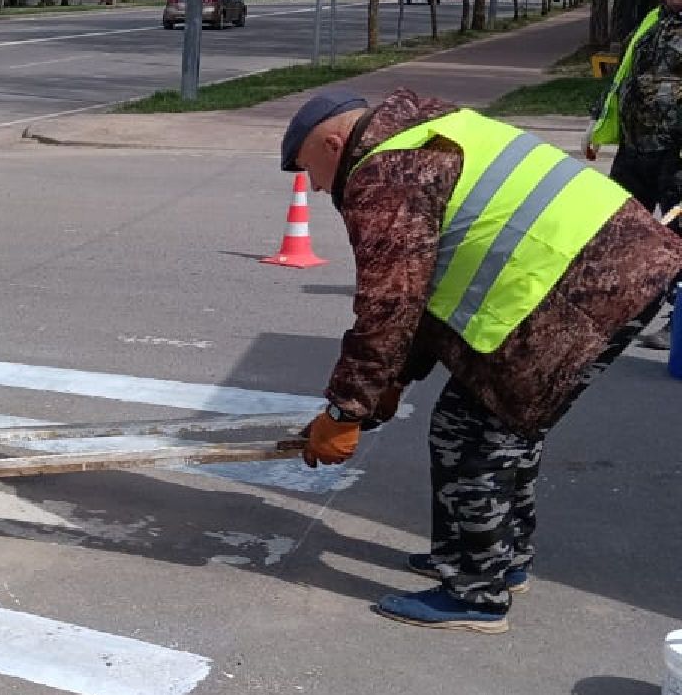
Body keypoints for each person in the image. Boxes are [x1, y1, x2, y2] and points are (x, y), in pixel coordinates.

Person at [281, 86, 682, 633]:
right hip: (611, 266)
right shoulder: (424, 125)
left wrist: (346, 410)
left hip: (585, 284)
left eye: (312, 170)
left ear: (334, 143)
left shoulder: (384, 173)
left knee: (474, 433)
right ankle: (494, 560)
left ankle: (477, 591)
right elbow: (422, 296)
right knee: (500, 425)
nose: (317, 187)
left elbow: (390, 305)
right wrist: (393, 382)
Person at [585, 0, 682, 351]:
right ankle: (613, 313)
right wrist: (598, 125)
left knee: (678, 238)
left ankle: (677, 323)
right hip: (635, 147)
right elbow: (624, 76)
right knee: (620, 229)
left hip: (676, 154)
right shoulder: (652, 21)